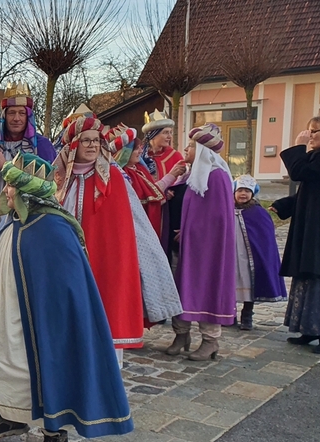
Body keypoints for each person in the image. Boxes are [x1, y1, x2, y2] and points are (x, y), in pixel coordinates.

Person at [0, 154, 133, 442]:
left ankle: (55, 434)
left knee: (36, 373)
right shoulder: (12, 221)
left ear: (28, 192)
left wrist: (51, 323)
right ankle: (9, 416)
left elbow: (68, 289)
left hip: (39, 326)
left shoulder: (54, 228)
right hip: (3, 316)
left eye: (11, 186)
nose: (6, 190)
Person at [56, 115, 145, 363]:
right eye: (86, 140)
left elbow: (119, 233)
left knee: (105, 313)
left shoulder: (112, 178)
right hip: (67, 261)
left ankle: (107, 371)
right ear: (73, 145)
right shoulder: (60, 177)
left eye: (96, 140)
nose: (92, 145)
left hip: (104, 263)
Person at [166, 124, 236, 360]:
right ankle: (181, 334)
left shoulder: (216, 176)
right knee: (182, 287)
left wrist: (191, 230)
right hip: (189, 245)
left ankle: (210, 340)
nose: (186, 149)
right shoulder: (192, 174)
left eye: (191, 146)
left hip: (208, 248)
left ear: (203, 151)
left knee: (207, 287)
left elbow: (217, 218)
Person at [0, 82, 56, 259]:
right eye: (12, 113)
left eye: (21, 113)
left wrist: (5, 166)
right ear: (4, 115)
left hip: (30, 214)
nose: (16, 118)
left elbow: (49, 188)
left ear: (28, 116)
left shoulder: (42, 146)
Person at [109, 125, 184, 326]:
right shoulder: (122, 174)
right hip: (134, 234)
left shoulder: (137, 170)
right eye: (135, 149)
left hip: (147, 231)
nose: (139, 152)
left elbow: (152, 193)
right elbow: (149, 195)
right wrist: (170, 177)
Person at [278, 115, 320, 353]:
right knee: (308, 273)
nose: (309, 135)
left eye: (314, 131)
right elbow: (309, 190)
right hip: (313, 225)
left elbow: (299, 172)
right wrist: (285, 205)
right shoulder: (319, 156)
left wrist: (298, 147)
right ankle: (310, 328)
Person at [231, 175, 287, 330]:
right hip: (231, 256)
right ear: (234, 192)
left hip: (250, 258)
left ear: (253, 193)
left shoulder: (258, 213)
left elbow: (265, 238)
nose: (243, 194)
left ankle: (247, 314)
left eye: (247, 191)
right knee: (230, 283)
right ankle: (230, 314)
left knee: (249, 282)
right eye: (240, 190)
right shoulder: (226, 209)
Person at [141, 110, 189, 257]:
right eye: (165, 133)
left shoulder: (175, 156)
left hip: (169, 211)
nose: (169, 137)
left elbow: (182, 183)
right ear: (153, 135)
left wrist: (171, 190)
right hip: (146, 210)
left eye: (170, 132)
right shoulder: (139, 156)